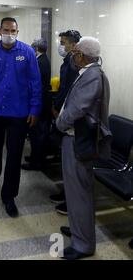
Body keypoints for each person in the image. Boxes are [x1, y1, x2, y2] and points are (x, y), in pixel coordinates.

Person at [0, 17, 42, 218]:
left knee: (14, 155)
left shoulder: (27, 52)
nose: (9, 33)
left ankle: (9, 195)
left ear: (17, 31)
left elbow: (35, 82)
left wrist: (34, 109)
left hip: (19, 113)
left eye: (13, 30)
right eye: (6, 30)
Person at [56, 37, 111, 260]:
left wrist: (59, 123)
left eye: (75, 51)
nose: (72, 54)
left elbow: (77, 108)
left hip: (79, 140)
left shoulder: (92, 76)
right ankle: (80, 229)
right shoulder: (90, 72)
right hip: (76, 139)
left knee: (79, 192)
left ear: (83, 54)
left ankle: (83, 245)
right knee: (77, 191)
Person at [50, 30, 82, 215]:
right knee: (66, 160)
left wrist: (58, 108)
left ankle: (71, 201)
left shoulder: (75, 64)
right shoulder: (68, 61)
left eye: (63, 42)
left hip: (68, 116)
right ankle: (66, 193)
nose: (60, 46)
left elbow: (70, 91)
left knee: (72, 163)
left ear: (73, 44)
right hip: (63, 112)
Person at [22, 39, 52, 171]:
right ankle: (35, 157)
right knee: (37, 133)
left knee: (37, 134)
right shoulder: (43, 59)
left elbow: (35, 84)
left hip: (40, 103)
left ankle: (37, 162)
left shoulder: (40, 62)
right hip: (42, 101)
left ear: (36, 49)